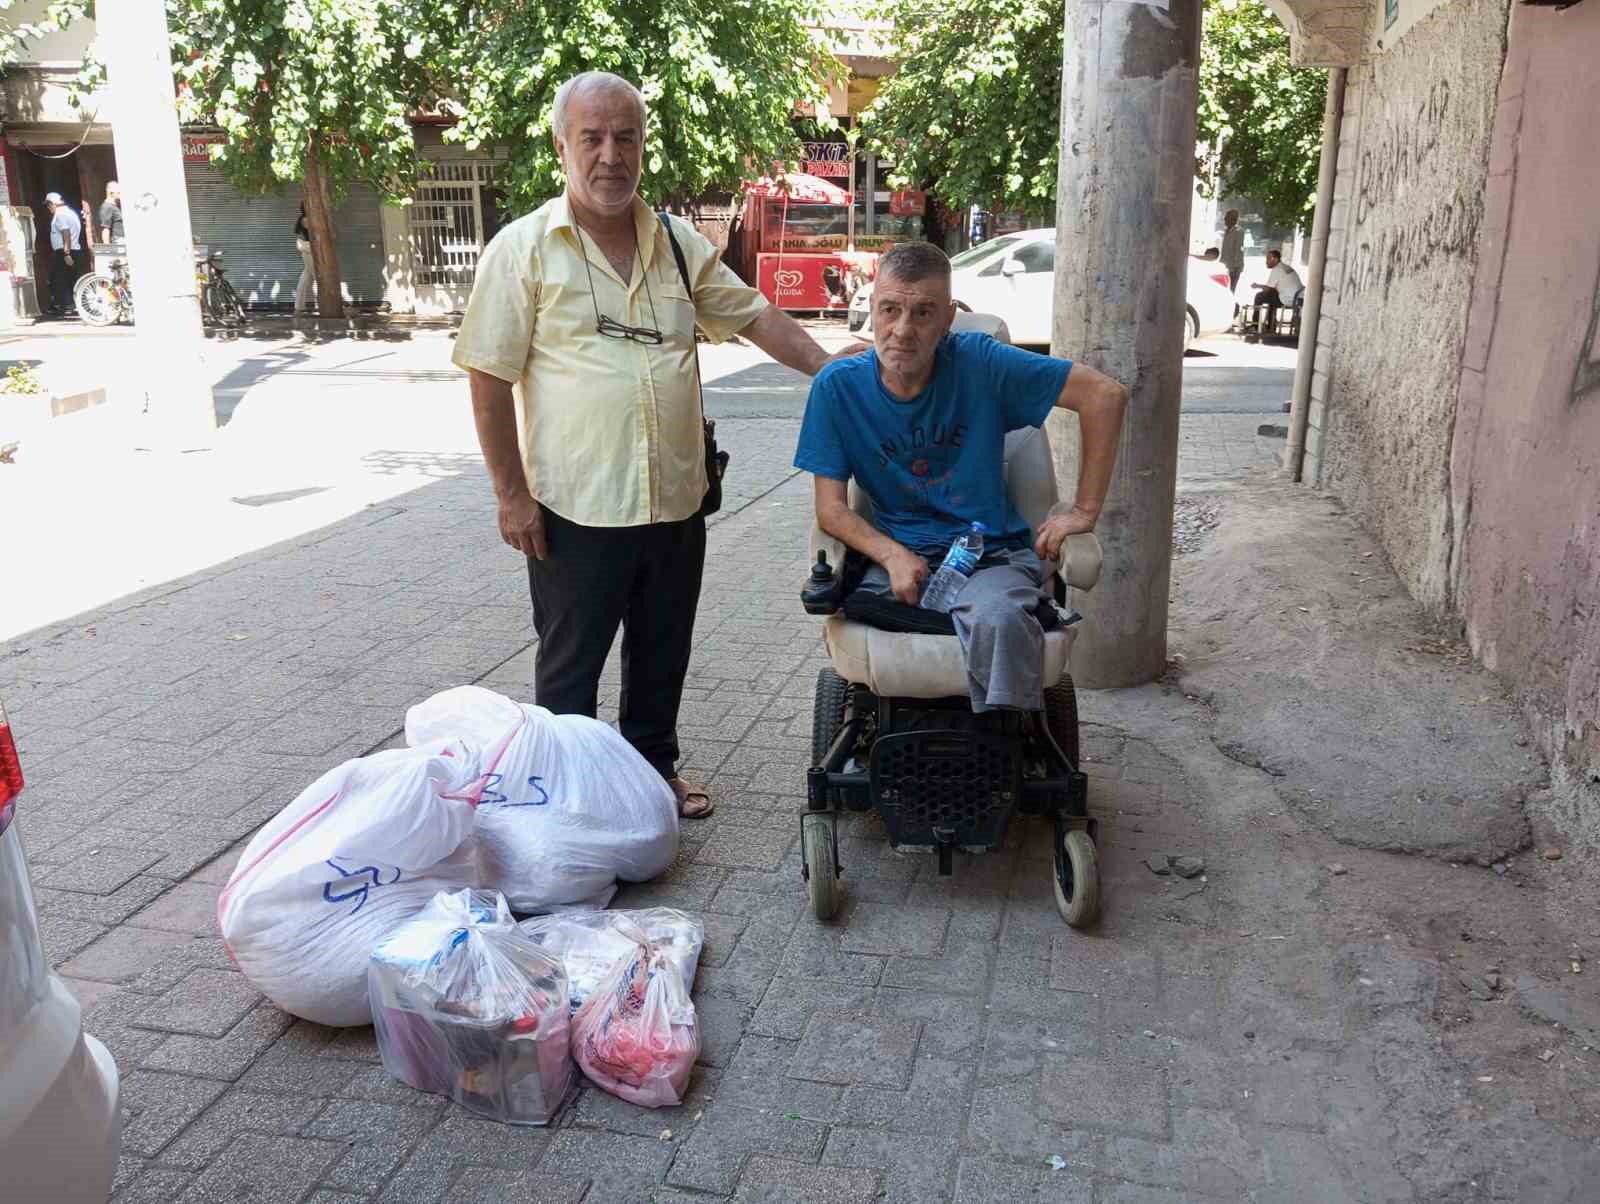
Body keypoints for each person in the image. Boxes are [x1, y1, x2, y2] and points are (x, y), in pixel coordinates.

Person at [452, 71, 859, 819]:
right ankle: (568, 800)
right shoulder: (524, 249)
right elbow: (486, 376)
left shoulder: (675, 244)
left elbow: (756, 318)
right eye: (593, 138)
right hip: (574, 505)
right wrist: (510, 495)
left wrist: (836, 374)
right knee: (571, 668)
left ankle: (651, 774)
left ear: (643, 145)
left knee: (663, 650)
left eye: (626, 137)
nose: (611, 155)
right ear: (562, 146)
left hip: (675, 497)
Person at [794, 241, 1129, 713]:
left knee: (1000, 620)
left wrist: (1084, 511)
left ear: (948, 319)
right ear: (872, 308)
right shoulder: (838, 388)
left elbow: (1105, 396)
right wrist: (892, 555)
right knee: (855, 607)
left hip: (987, 554)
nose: (903, 331)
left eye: (923, 313)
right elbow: (830, 509)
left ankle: (996, 749)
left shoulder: (981, 362)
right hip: (897, 558)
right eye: (890, 310)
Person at [1247, 249, 1303, 335]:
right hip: (1297, 298)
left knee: (1259, 296)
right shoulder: (1286, 267)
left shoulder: (1277, 269)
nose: (1266, 262)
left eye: (1269, 259)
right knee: (1271, 296)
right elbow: (1273, 288)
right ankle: (1270, 326)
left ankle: (1255, 325)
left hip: (1288, 299)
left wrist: (1257, 286)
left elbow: (1267, 289)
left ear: (1276, 259)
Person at [44, 192, 83, 316]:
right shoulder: (71, 213)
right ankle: (73, 305)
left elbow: (65, 233)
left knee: (60, 279)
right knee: (71, 278)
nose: (48, 208)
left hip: (64, 251)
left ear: (52, 204)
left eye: (48, 205)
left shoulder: (60, 215)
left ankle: (67, 306)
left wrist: (66, 253)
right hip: (74, 249)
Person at [294, 203, 315, 314]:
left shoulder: (303, 218)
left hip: (308, 249)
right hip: (310, 249)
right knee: (319, 276)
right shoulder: (306, 219)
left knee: (306, 275)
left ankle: (299, 306)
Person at [1219, 208, 1245, 297]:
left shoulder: (1238, 231)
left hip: (1234, 267)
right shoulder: (1227, 231)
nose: (1224, 219)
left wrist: (1234, 267)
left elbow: (1238, 250)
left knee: (1230, 291)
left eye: (1226, 217)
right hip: (1225, 265)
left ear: (1233, 219)